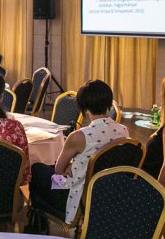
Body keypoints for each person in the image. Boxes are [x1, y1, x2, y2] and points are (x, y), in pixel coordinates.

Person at [28, 79, 128, 224]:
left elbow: (59, 169)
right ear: (109, 104)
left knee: (37, 169)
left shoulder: (79, 136)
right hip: (107, 194)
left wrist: (72, 166)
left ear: (85, 109)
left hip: (78, 197)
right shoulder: (123, 131)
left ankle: (37, 222)